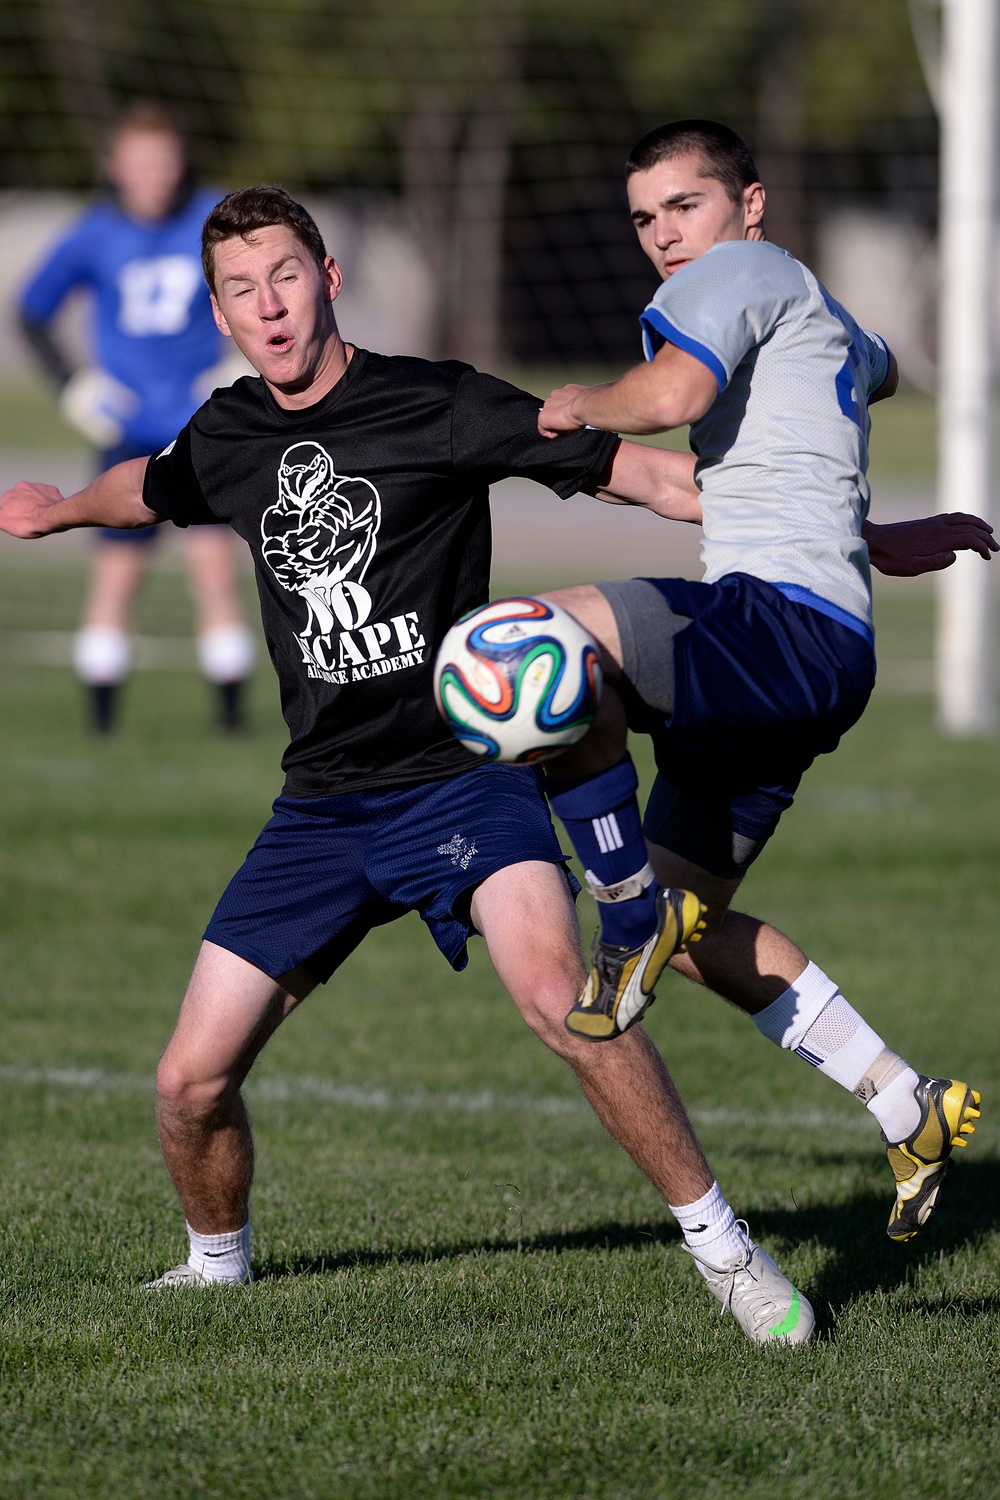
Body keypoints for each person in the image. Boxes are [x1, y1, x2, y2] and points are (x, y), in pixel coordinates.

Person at [0, 186, 823, 1345]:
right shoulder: (231, 434)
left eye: (286, 276)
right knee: (188, 1084)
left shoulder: (434, 402)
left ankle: (728, 1255)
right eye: (241, 289)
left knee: (565, 1004)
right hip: (320, 807)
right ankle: (215, 1269)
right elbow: (150, 485)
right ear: (221, 313)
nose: (269, 305)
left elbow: (640, 474)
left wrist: (837, 538)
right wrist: (56, 513)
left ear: (328, 279)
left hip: (464, 779)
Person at [533, 120, 989, 1247]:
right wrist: (879, 533)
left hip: (769, 627)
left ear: (749, 206)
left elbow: (673, 395)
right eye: (643, 218)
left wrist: (588, 400)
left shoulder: (735, 273)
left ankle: (620, 922)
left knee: (537, 650)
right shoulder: (824, 315)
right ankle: (904, 1101)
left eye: (683, 205)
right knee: (696, 937)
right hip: (813, 652)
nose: (660, 236)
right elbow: (843, 396)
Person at [18, 101, 255, 733]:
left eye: (164, 161)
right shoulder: (95, 233)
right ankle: (101, 726)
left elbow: (265, 287)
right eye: (141, 163)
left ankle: (230, 726)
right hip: (123, 431)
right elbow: (30, 311)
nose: (153, 176)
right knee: (117, 578)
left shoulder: (215, 219)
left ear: (179, 163)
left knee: (214, 573)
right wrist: (74, 386)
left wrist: (242, 367)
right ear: (116, 167)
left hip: (200, 426)